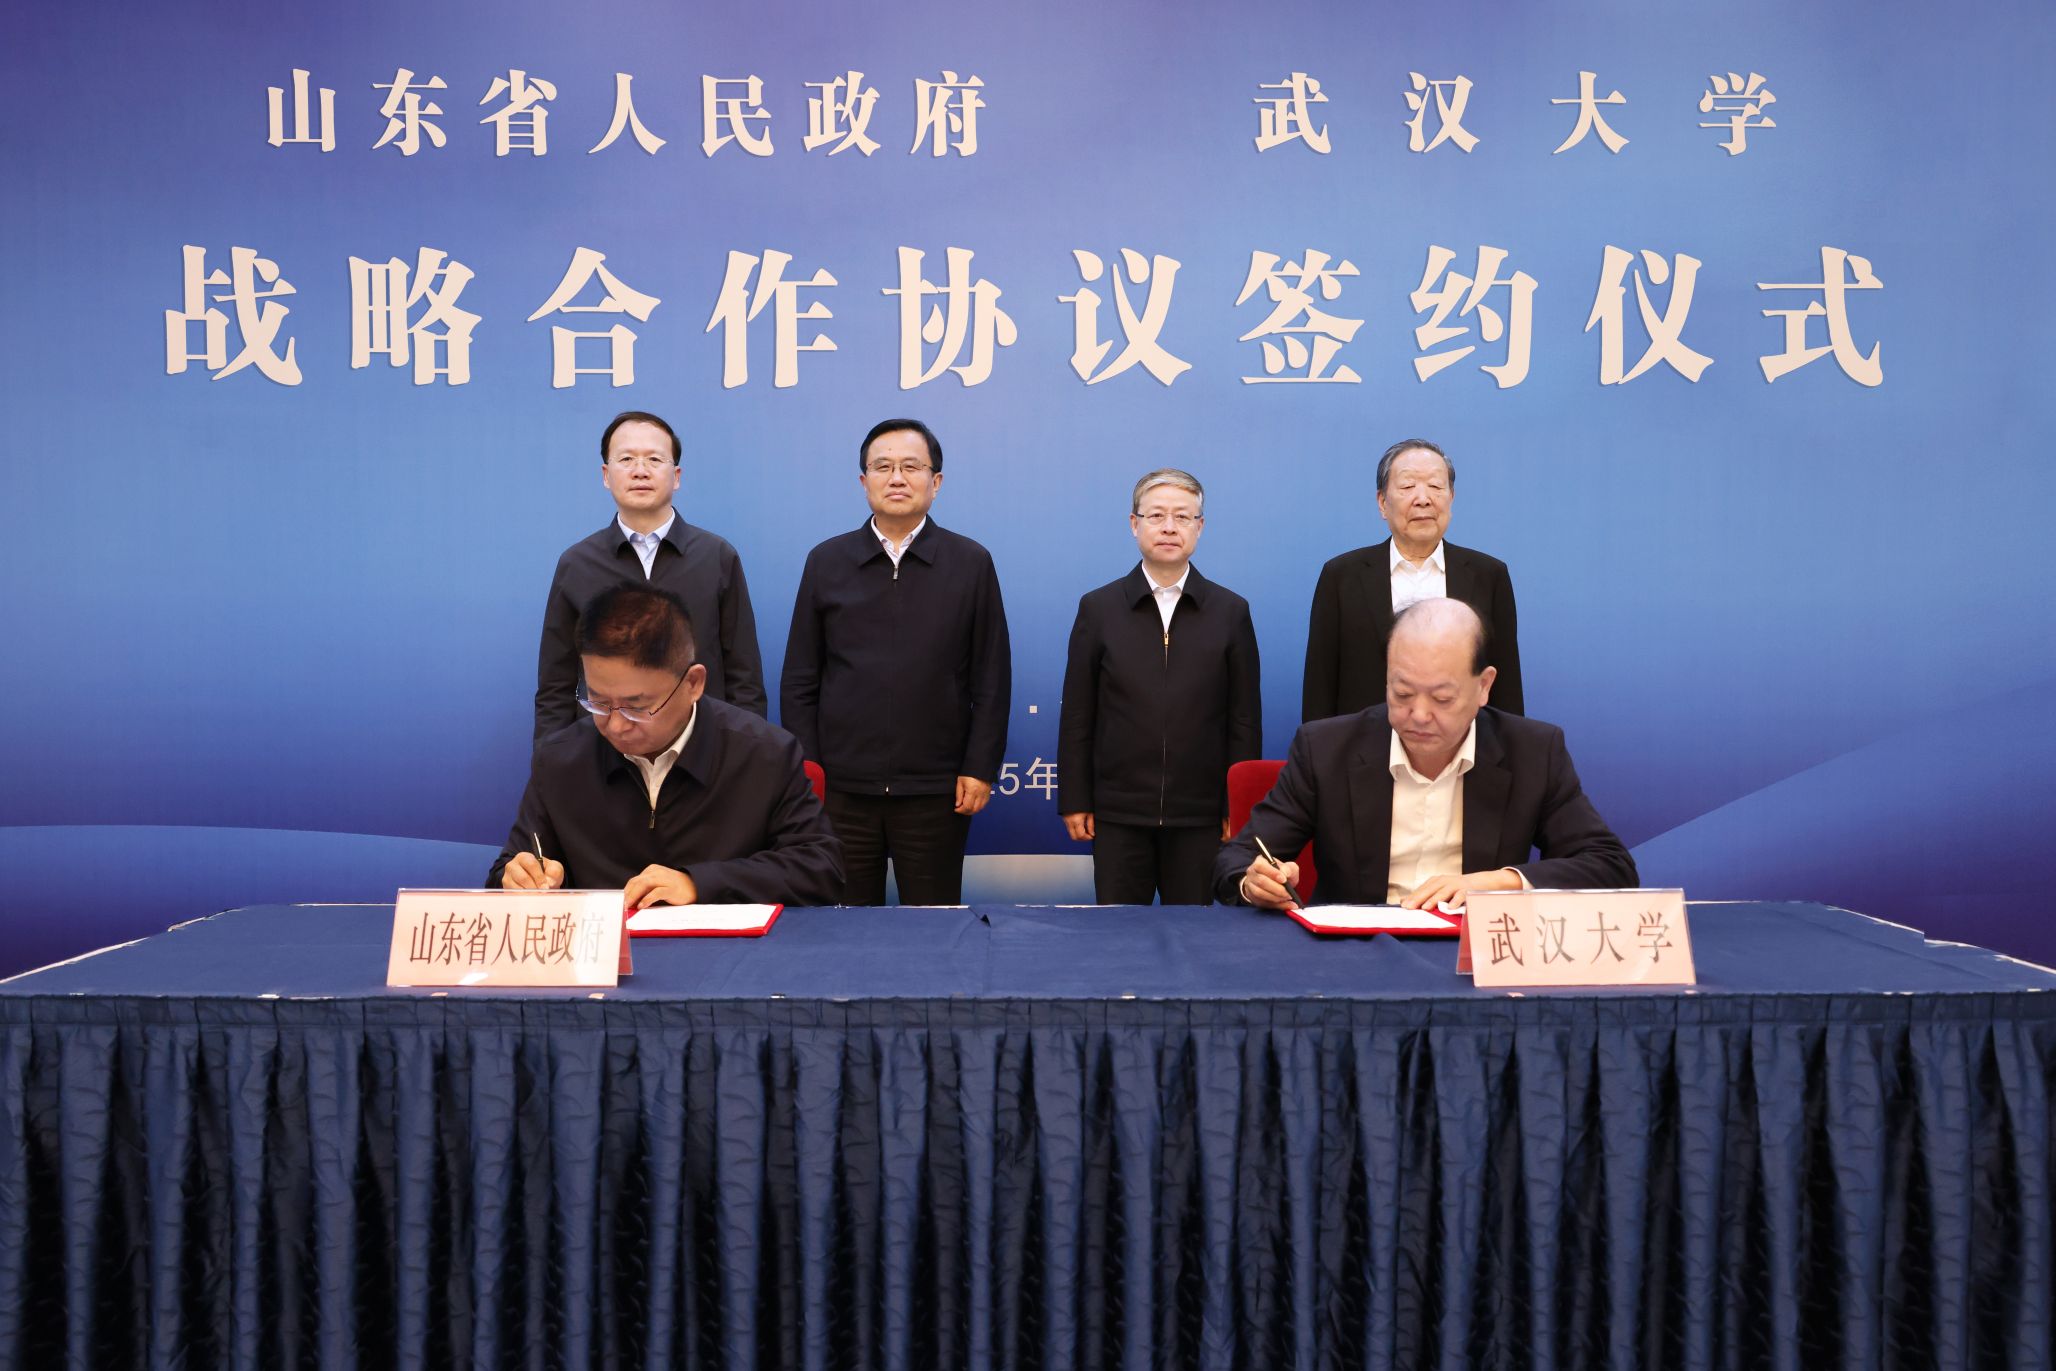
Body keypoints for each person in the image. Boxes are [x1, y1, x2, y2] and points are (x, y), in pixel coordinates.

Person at [1220, 598, 1633, 910]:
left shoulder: (1532, 751)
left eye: (1442, 698)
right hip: (1355, 958)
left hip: (1473, 957)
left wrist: (1495, 883)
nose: (1418, 715)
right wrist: (1254, 882)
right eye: (1402, 693)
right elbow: (1236, 858)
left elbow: (1611, 867)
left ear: (1484, 687)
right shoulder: (1326, 748)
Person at [491, 584, 841, 909]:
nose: (616, 724)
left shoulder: (764, 754)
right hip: (605, 951)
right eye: (598, 701)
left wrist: (699, 883)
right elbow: (509, 869)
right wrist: (518, 876)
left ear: (693, 683)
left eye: (637, 707)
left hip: (727, 952)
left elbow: (820, 868)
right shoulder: (560, 761)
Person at [780, 418, 1011, 905]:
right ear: (864, 481)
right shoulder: (827, 561)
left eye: (911, 466)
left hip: (936, 788)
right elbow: (801, 677)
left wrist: (979, 767)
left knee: (933, 927)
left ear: (936, 481)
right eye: (882, 467)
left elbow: (991, 678)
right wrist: (811, 769)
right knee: (846, 927)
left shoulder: (970, 562)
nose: (897, 478)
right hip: (842, 789)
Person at [1057, 468, 1262, 904]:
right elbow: (1078, 713)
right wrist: (1075, 798)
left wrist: (1236, 804)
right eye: (1156, 516)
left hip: (1200, 815)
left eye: (1182, 517)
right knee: (1119, 933)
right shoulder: (1099, 608)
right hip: (1118, 812)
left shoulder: (1230, 611)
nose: (1169, 527)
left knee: (1193, 933)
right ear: (1134, 524)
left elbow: (1243, 719)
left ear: (1199, 527)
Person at [532, 410, 766, 744]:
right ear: (606, 475)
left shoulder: (716, 556)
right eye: (626, 459)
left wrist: (747, 753)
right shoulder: (577, 563)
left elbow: (744, 676)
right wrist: (550, 758)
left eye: (655, 459)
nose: (640, 470)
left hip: (701, 748)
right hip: (604, 749)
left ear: (676, 476)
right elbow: (556, 683)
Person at [1301, 439, 1524, 722]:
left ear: (1451, 497)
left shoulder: (1489, 576)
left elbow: (1507, 690)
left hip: (1464, 744)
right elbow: (1320, 687)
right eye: (1408, 486)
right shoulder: (1341, 576)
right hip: (1365, 745)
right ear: (1383, 502)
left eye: (1435, 486)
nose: (1423, 499)